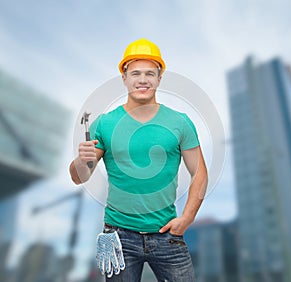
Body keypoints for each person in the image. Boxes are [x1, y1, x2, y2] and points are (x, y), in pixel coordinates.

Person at [69, 38, 208, 282]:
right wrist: (82, 160)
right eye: (135, 73)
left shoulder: (180, 122)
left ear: (159, 78)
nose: (142, 80)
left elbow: (200, 173)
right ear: (124, 78)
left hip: (167, 235)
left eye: (149, 73)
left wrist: (187, 218)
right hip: (119, 237)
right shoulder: (105, 123)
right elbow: (79, 177)